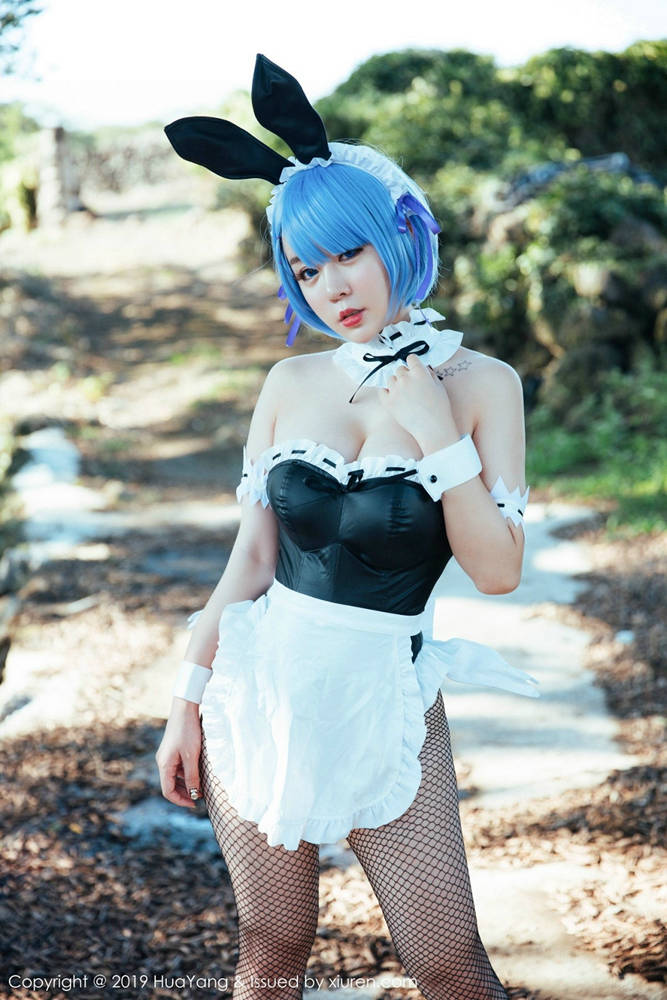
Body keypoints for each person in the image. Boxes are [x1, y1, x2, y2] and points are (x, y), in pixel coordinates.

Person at [156, 54, 538, 1000]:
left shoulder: (482, 385)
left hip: (386, 695)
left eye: (348, 254)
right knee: (269, 954)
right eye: (306, 268)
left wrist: (438, 436)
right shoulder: (289, 383)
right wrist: (187, 699)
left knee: (448, 966)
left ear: (399, 234)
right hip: (262, 687)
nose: (333, 286)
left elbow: (497, 570)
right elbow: (250, 561)